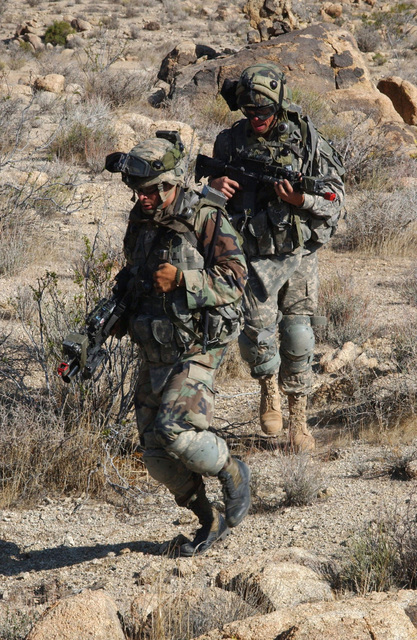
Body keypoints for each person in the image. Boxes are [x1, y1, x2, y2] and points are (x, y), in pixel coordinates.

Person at [105, 131, 251, 556]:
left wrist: (183, 280)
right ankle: (209, 518)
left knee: (176, 430)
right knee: (154, 452)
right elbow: (134, 274)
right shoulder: (140, 218)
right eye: (136, 191)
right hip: (156, 344)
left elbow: (235, 280)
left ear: (170, 184)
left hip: (197, 343)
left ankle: (232, 471)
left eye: (149, 191)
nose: (141, 199)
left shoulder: (205, 216)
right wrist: (118, 312)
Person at [209, 62, 345, 452]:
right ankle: (268, 389)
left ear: (279, 105)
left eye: (264, 111)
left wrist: (300, 199)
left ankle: (298, 421)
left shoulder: (307, 139)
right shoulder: (230, 142)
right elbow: (211, 202)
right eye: (249, 112)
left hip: (298, 252)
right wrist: (215, 186)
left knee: (299, 336)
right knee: (255, 338)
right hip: (251, 253)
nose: (257, 119)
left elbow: (336, 199)